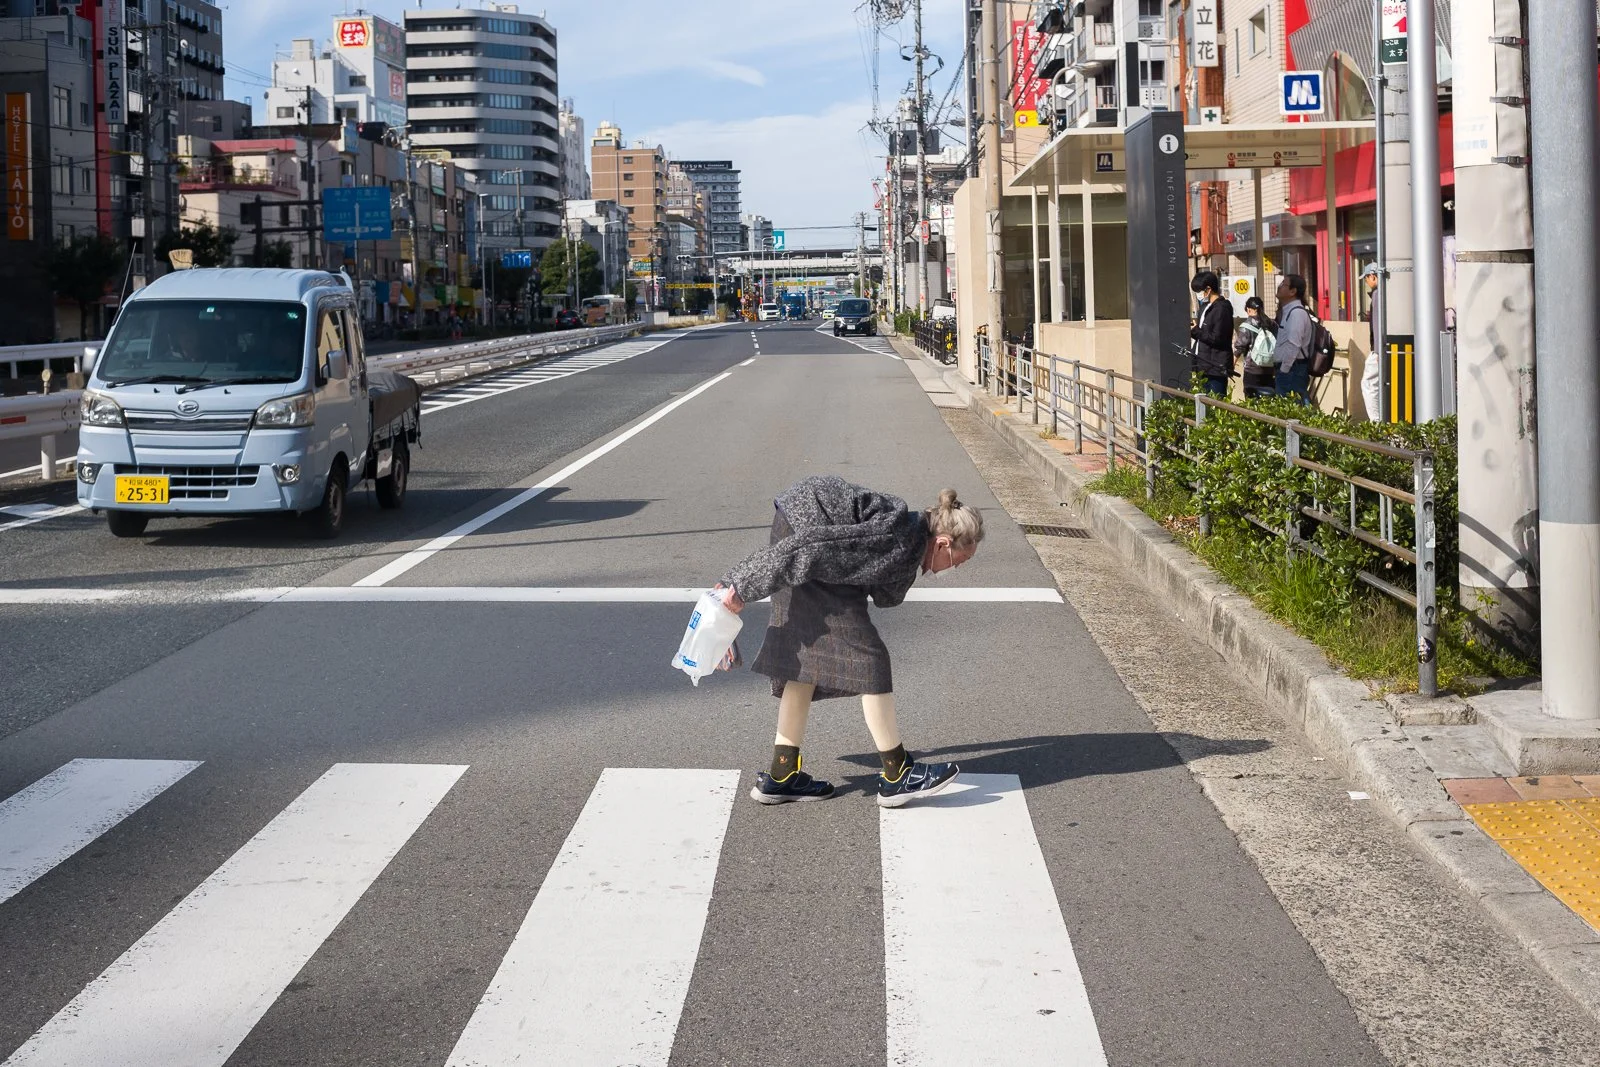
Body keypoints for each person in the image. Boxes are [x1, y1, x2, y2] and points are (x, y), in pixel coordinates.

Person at [716, 475, 984, 809]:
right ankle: (897, 773)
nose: (956, 568)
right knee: (869, 657)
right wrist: (739, 586)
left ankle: (782, 775)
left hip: (797, 523)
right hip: (803, 534)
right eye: (961, 559)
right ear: (943, 543)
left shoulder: (909, 538)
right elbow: (810, 547)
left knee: (804, 665)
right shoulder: (898, 538)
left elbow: (882, 589)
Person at [1188, 270, 1234, 397]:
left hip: (1215, 367)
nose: (1198, 295)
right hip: (1202, 364)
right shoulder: (1206, 307)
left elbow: (1217, 338)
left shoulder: (1222, 309)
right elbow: (1203, 334)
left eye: (1199, 291)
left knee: (1215, 404)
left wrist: (1197, 331)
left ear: (1208, 289)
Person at [1274, 274, 1314, 404]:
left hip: (1292, 370)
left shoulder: (1296, 313)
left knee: (1291, 414)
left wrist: (1284, 370)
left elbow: (1293, 345)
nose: (1279, 287)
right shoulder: (1288, 311)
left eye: (1283, 284)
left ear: (1293, 291)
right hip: (1290, 369)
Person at [1232, 295, 1278, 400]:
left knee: (1251, 401)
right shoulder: (1272, 324)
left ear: (1248, 310)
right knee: (1268, 401)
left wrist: (1232, 365)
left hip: (1252, 370)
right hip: (1270, 369)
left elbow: (1239, 348)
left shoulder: (1246, 325)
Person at [1359, 264, 1383, 421]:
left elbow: (1377, 324)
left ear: (1373, 276)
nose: (1367, 282)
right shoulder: (1386, 292)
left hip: (1379, 349)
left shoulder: (1377, 294)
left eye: (1366, 278)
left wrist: (1378, 350)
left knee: (1368, 384)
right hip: (1383, 348)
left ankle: (1376, 422)